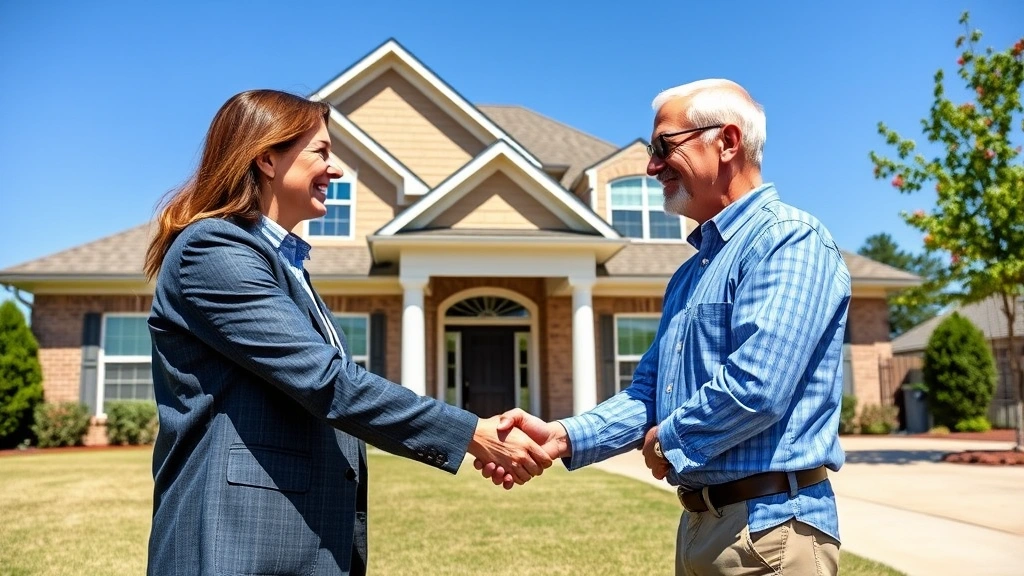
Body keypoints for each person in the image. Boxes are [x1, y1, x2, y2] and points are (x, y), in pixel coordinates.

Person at [143, 89, 552, 576]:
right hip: (237, 541)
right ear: (267, 159)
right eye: (321, 152)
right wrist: (473, 434)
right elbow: (326, 381)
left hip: (303, 534)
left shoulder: (285, 264)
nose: (335, 170)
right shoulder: (212, 251)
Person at [482, 79, 850, 575]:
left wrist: (668, 439)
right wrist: (563, 436)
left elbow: (759, 386)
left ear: (727, 141)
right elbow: (649, 392)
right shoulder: (690, 273)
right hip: (703, 524)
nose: (652, 166)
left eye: (663, 147)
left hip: (771, 530)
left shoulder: (788, 241)